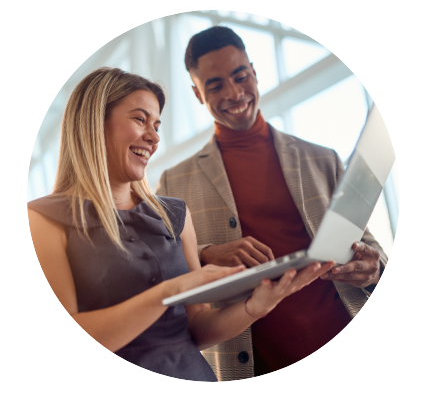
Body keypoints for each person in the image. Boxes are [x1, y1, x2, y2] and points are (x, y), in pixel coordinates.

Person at [27, 67, 334, 382]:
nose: (154, 136)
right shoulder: (44, 220)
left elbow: (196, 329)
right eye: (139, 119)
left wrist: (255, 307)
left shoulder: (174, 215)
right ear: (94, 124)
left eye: (157, 124)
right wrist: (172, 290)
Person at [156, 26, 388, 381]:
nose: (234, 93)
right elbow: (164, 272)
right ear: (197, 94)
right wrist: (206, 253)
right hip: (255, 364)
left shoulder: (322, 159)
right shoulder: (175, 181)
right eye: (215, 85)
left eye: (240, 76)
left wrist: (374, 268)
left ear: (254, 72)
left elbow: (367, 244)